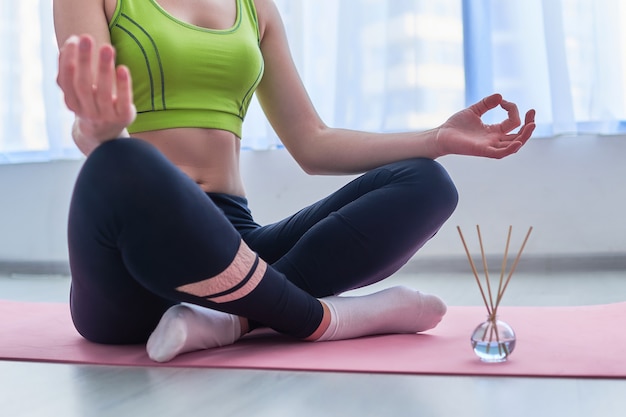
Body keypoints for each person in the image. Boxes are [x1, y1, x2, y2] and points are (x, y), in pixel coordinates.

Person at [53, 0, 536, 362]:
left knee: (427, 183)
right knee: (122, 158)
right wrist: (100, 131)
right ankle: (328, 318)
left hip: (233, 247)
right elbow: (91, 123)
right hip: (131, 269)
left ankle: (234, 320)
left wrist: (438, 138)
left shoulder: (253, 7)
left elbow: (312, 141)